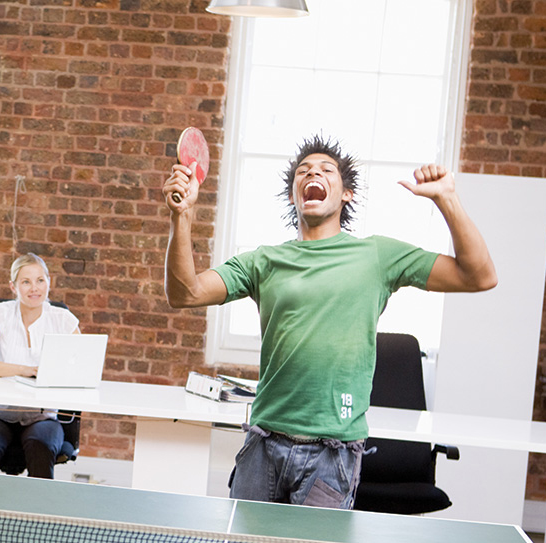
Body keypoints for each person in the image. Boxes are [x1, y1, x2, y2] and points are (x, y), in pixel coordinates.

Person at [162, 135, 497, 508]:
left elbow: (479, 276)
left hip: (331, 454)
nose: (312, 174)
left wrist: (447, 199)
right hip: (263, 444)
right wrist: (183, 216)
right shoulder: (264, 261)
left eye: (325, 170)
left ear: (346, 194)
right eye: (303, 171)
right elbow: (185, 293)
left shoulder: (377, 256)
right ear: (294, 197)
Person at [0, 253, 79, 478]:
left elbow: (82, 368)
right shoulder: (0, 313)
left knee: (41, 446)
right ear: (13, 286)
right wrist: (24, 370)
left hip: (42, 416)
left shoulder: (63, 319)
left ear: (49, 282)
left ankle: (35, 514)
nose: (34, 288)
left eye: (40, 280)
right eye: (26, 282)